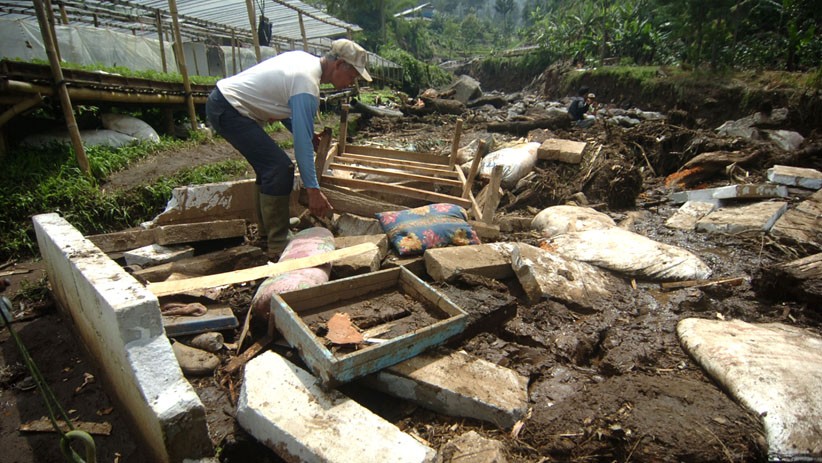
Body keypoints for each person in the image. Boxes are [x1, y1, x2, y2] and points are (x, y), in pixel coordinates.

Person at [206, 39, 372, 257]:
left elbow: (282, 105)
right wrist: (313, 190)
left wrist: (309, 135)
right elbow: (302, 146)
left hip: (225, 103)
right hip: (229, 109)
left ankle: (270, 230)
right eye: (352, 76)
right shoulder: (307, 83)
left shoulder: (305, 61)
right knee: (278, 168)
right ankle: (277, 242)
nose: (352, 82)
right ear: (339, 64)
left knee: (268, 167)